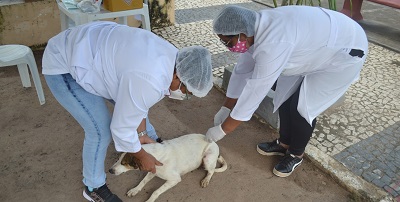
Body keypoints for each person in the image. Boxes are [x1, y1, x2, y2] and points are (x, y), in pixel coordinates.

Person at [42, 21, 213, 202]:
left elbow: (139, 104)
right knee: (101, 131)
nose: (184, 95)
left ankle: (155, 145)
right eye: (186, 91)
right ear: (178, 76)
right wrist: (141, 156)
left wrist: (141, 133)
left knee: (135, 111)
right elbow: (121, 128)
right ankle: (93, 187)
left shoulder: (176, 59)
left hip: (93, 54)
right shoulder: (150, 80)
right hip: (64, 63)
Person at [206, 5, 368, 177]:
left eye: (226, 41)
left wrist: (223, 130)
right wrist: (226, 107)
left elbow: (256, 90)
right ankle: (283, 144)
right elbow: (242, 71)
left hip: (345, 53)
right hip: (312, 48)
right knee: (284, 97)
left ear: (241, 34)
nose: (226, 46)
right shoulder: (254, 29)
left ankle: (296, 154)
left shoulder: (274, 42)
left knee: (302, 108)